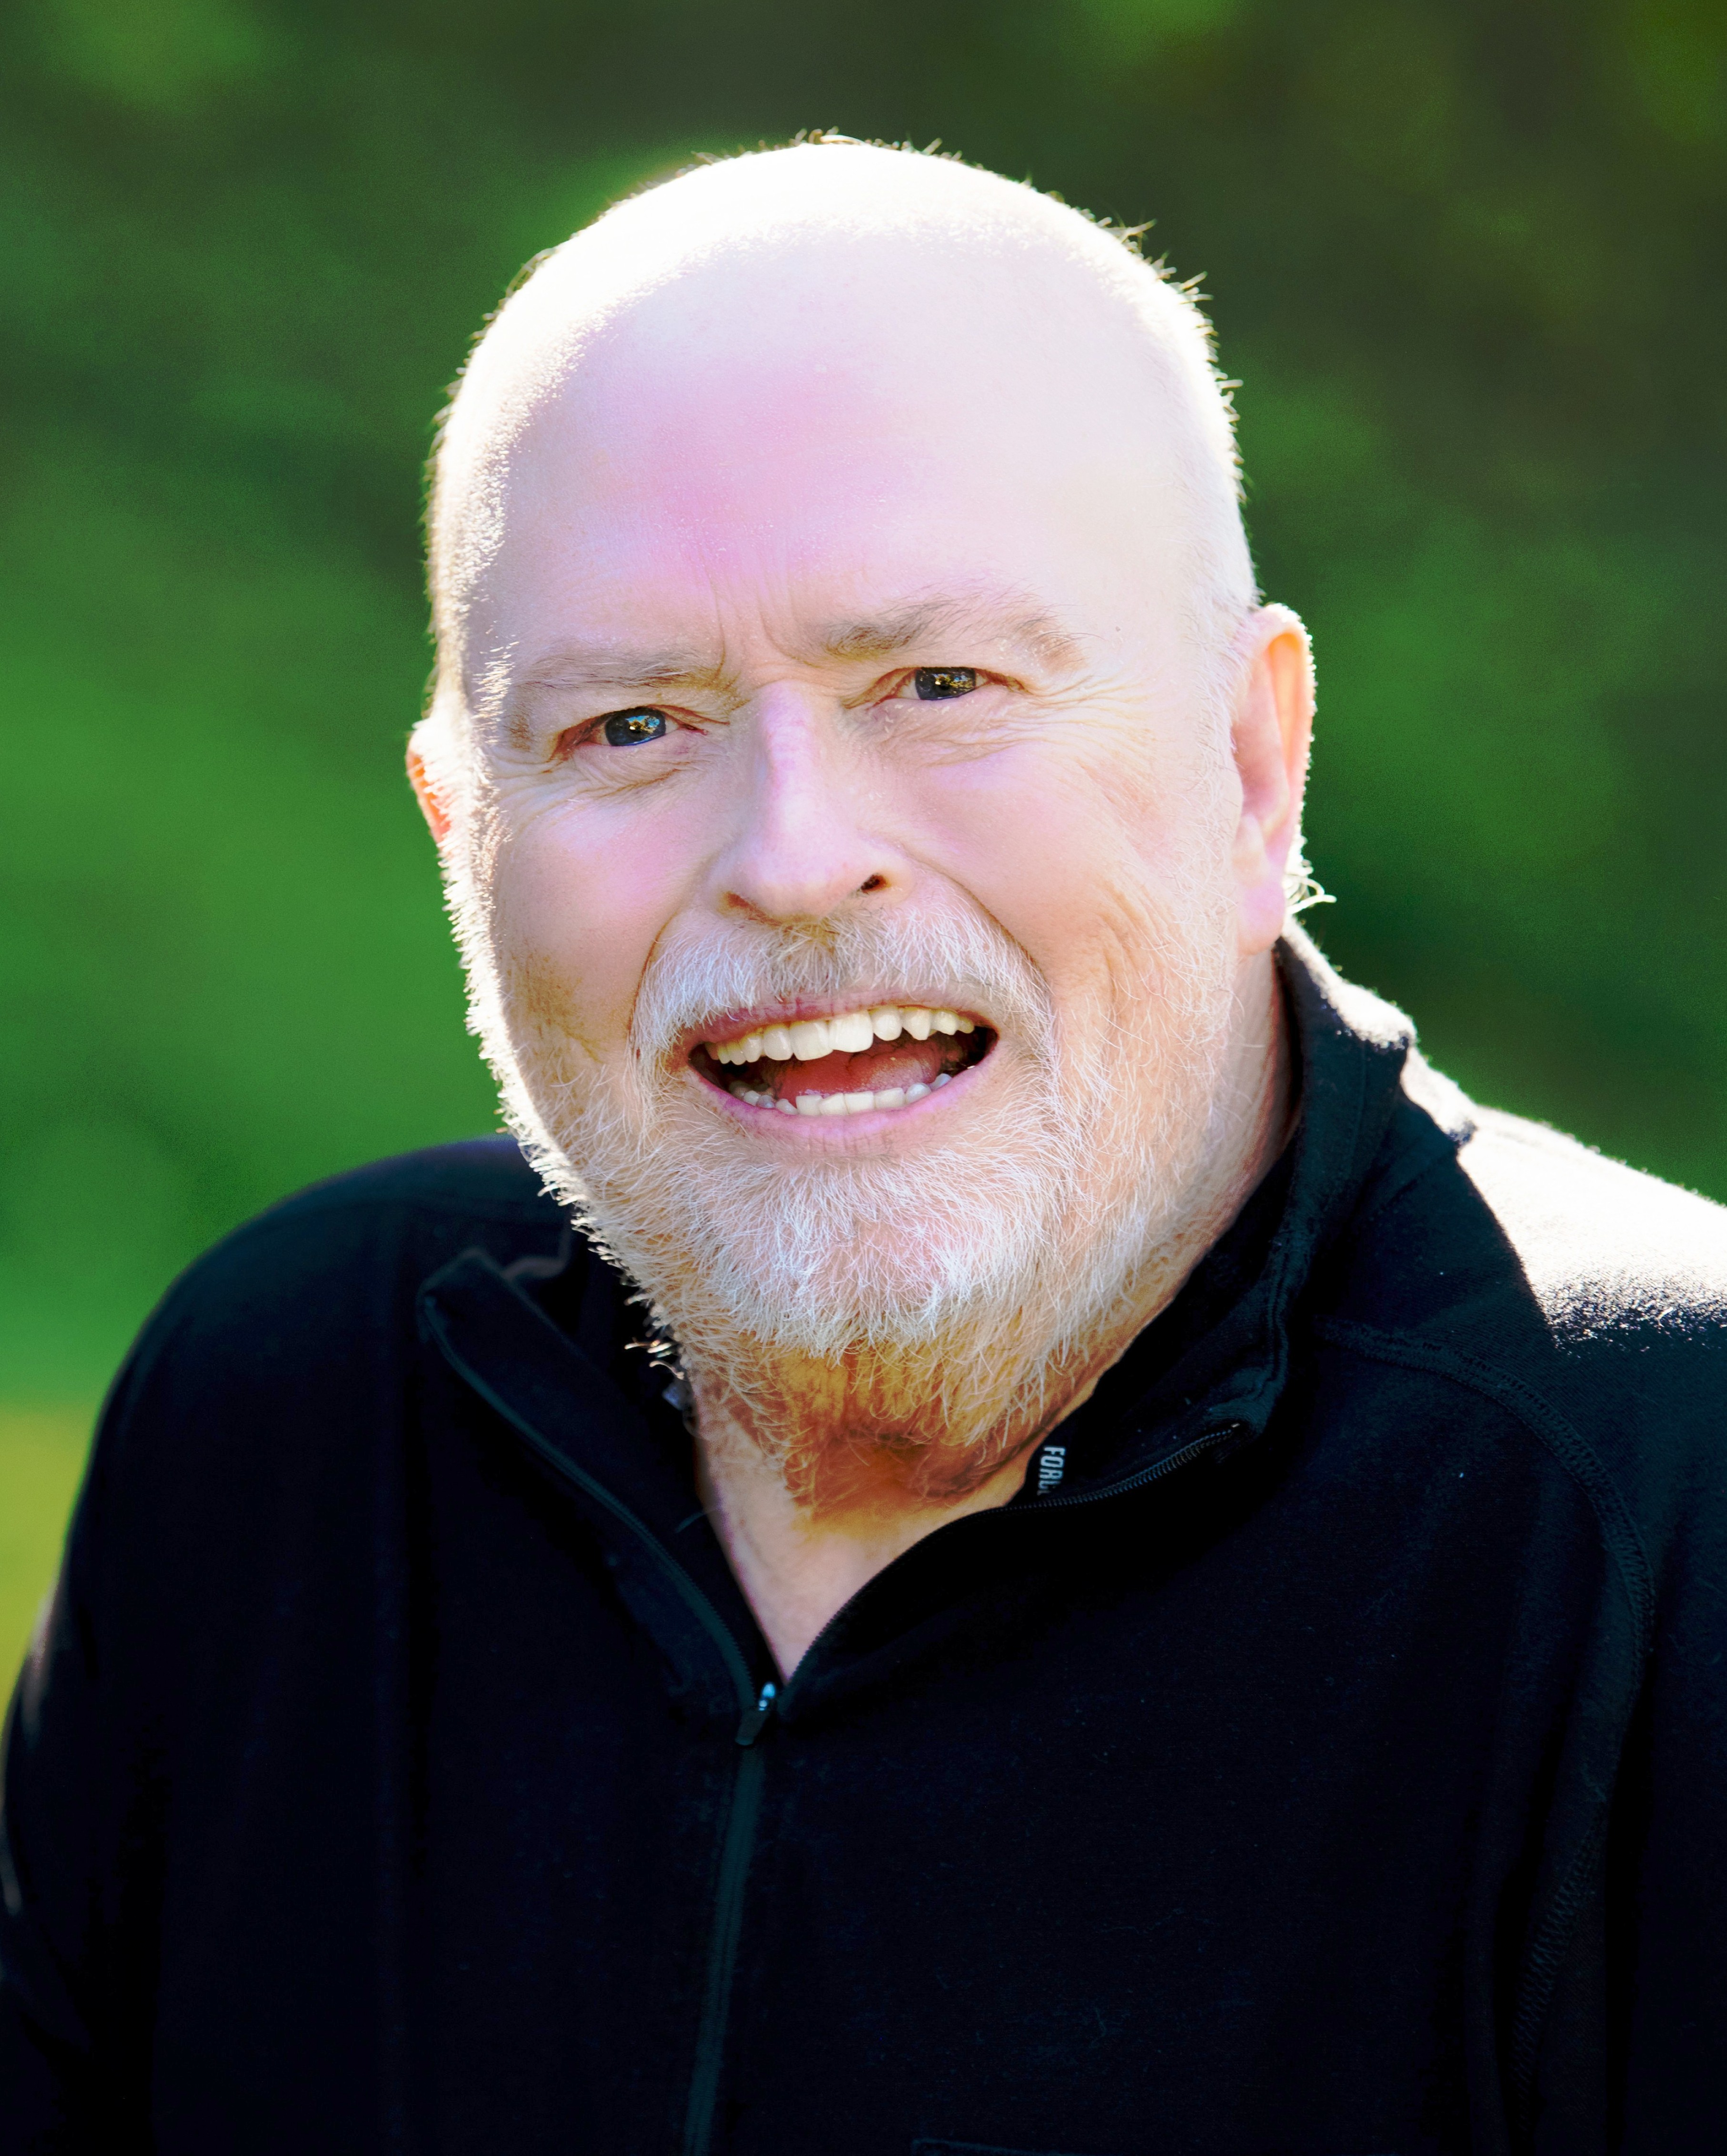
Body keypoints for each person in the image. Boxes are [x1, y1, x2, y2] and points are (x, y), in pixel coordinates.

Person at [2, 138, 1722, 2155]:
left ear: (1255, 762)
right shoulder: (288, 1431)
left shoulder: (1667, 1500)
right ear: (463, 836)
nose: (795, 857)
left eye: (938, 685)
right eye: (629, 727)